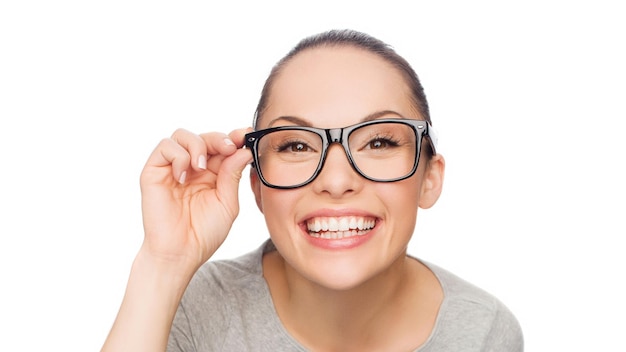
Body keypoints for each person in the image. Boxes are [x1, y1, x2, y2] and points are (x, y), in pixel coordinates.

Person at [101, 29, 523, 352]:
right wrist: (163, 263)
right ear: (256, 185)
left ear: (429, 178)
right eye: (296, 145)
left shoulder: (483, 330)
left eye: (378, 142)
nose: (337, 182)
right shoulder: (190, 309)